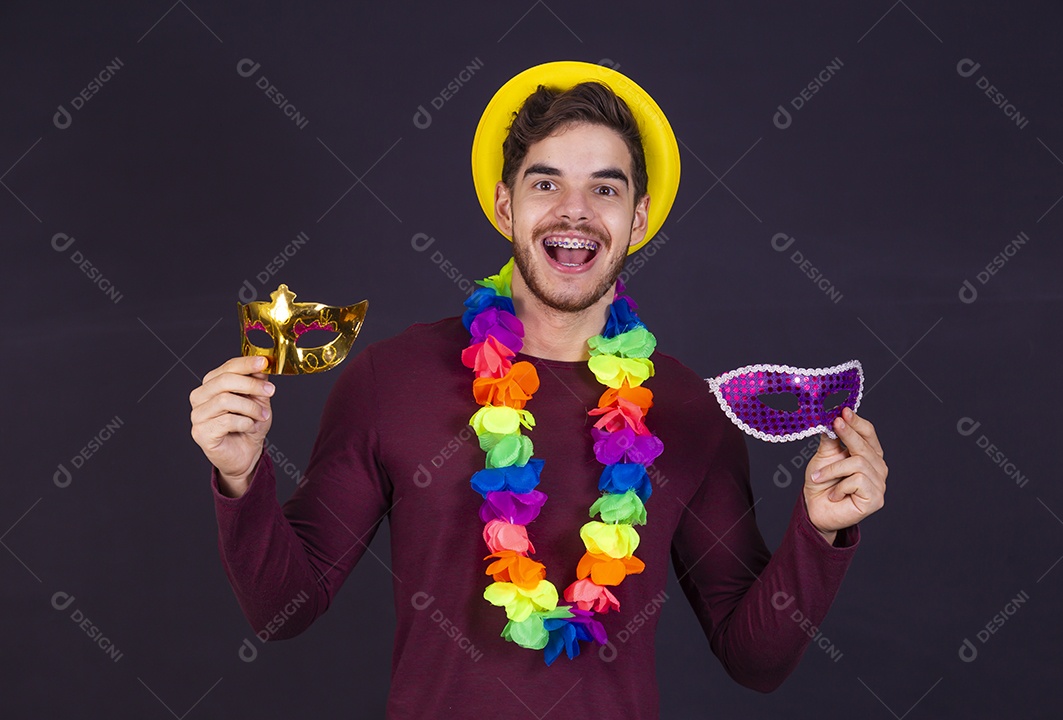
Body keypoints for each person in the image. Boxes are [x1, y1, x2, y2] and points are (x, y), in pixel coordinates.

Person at [189, 61, 887, 719]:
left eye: (605, 189)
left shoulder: (690, 411)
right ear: (505, 205)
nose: (574, 213)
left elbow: (752, 658)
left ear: (637, 219)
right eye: (545, 183)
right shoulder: (389, 380)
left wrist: (820, 533)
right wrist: (240, 476)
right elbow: (285, 608)